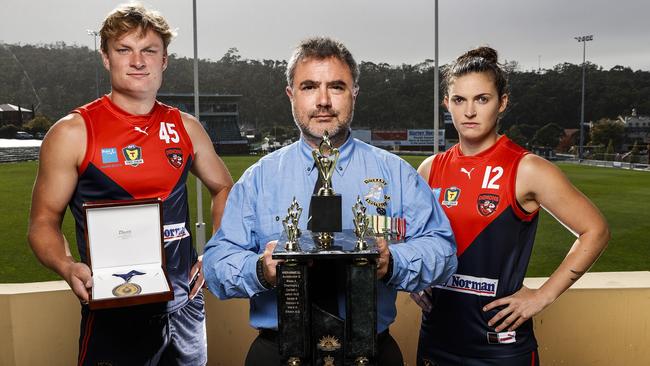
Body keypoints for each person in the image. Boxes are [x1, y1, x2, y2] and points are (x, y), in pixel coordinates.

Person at [202, 37, 458, 366]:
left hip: (371, 351)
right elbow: (216, 263)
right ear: (291, 95)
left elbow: (444, 251)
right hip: (278, 351)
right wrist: (260, 271)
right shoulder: (258, 178)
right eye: (309, 87)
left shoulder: (395, 174)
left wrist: (391, 262)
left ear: (354, 94)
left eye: (336, 87)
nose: (323, 101)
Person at [28, 4, 233, 365]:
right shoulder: (74, 132)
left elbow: (224, 187)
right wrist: (66, 265)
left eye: (149, 50)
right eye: (124, 50)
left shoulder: (185, 126)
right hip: (114, 314)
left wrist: (215, 248)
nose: (138, 61)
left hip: (185, 309)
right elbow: (42, 222)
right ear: (106, 58)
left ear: (164, 60)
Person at [411, 46, 610, 366]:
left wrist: (543, 296)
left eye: (482, 99)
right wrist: (415, 279)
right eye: (459, 100)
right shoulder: (430, 168)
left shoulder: (527, 169)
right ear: (446, 104)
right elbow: (417, 239)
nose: (469, 112)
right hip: (436, 341)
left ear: (502, 103)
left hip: (499, 349)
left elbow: (595, 230)